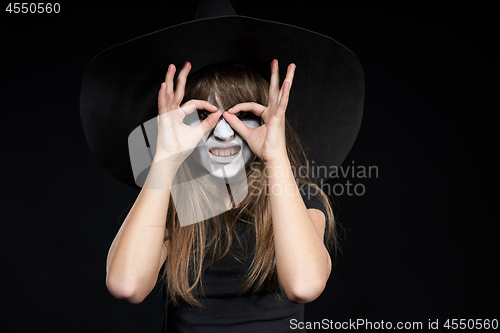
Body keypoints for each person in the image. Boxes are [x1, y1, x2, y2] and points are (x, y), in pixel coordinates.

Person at [105, 60, 337, 332]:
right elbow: (126, 285)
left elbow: (304, 285)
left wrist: (276, 157)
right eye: (205, 115)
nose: (224, 133)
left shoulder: (301, 198)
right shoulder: (168, 203)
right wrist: (165, 159)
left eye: (239, 115)